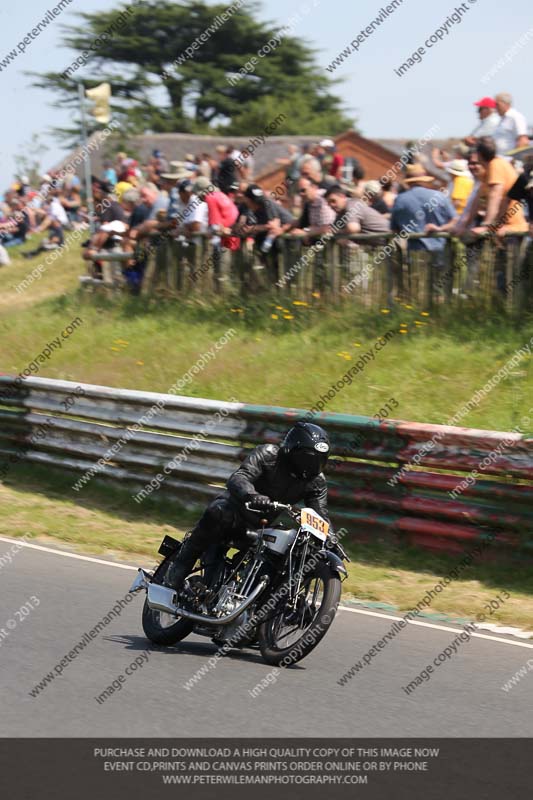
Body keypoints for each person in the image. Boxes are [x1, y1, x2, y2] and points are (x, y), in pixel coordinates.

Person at [167, 422, 333, 593]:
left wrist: (331, 538)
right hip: (234, 512)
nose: (312, 465)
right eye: (308, 458)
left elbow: (320, 514)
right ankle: (179, 568)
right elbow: (240, 477)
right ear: (292, 450)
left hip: (261, 527)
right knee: (217, 513)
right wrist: (252, 495)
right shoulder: (268, 454)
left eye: (319, 459)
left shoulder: (316, 482)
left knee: (286, 548)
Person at [390, 164, 457, 259]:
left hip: (415, 256)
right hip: (440, 253)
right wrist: (440, 229)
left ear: (408, 182)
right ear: (425, 180)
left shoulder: (400, 199)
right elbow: (455, 222)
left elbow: (395, 229)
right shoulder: (439, 196)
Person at [468, 137, 527, 236]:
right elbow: (477, 201)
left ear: (479, 155)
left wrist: (487, 224)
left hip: (511, 227)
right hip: (502, 227)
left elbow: (495, 196)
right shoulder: (488, 171)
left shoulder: (495, 165)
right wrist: (464, 224)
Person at [325, 185, 391, 234]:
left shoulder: (352, 205)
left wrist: (336, 233)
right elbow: (330, 229)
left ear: (342, 197)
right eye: (329, 203)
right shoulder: (341, 214)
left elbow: (353, 228)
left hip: (393, 242)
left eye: (333, 201)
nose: (331, 205)